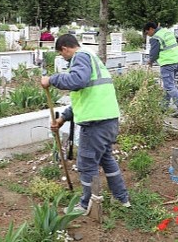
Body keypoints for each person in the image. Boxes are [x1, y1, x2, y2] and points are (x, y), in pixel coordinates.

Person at [41, 34, 130, 215]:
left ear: (65, 48)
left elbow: (77, 81)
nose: (64, 59)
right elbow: (85, 96)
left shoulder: (80, 56)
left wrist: (52, 79)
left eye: (62, 54)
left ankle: (86, 205)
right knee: (106, 159)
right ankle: (122, 198)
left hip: (96, 123)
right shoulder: (92, 58)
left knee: (87, 164)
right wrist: (63, 118)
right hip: (108, 119)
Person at [143, 22, 178, 117]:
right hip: (176, 61)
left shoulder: (155, 38)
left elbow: (154, 53)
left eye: (147, 33)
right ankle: (163, 107)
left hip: (167, 63)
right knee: (168, 86)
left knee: (169, 86)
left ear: (151, 29)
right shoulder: (166, 32)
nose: (148, 35)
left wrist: (150, 61)